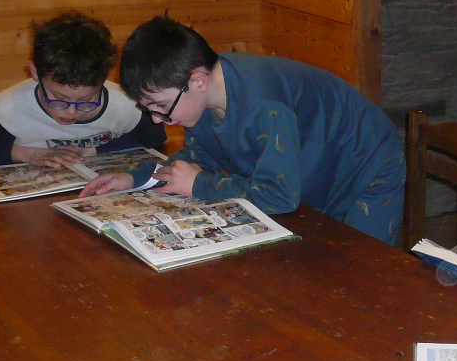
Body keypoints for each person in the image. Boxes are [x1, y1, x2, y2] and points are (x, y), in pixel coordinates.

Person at [79, 16, 405, 244]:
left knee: (361, 268)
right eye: (148, 108)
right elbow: (197, 158)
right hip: (319, 160)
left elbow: (279, 196)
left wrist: (201, 184)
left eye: (160, 106)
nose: (155, 119)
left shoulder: (262, 105)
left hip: (366, 162)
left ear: (198, 81)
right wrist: (134, 178)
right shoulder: (204, 94)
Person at [0, 12, 166, 168]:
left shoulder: (125, 103)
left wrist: (93, 151)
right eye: (58, 98)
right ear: (35, 73)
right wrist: (28, 154)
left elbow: (153, 137)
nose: (71, 112)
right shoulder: (8, 106)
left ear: (104, 79)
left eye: (86, 100)